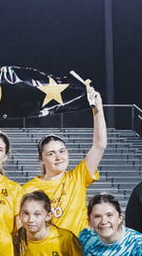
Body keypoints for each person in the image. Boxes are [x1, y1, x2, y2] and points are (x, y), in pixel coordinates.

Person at [21, 85, 106, 235]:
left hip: (76, 253)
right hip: (44, 254)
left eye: (62, 151)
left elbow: (100, 145)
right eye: (51, 154)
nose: (59, 157)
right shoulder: (28, 189)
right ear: (41, 159)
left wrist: (97, 109)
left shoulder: (78, 177)